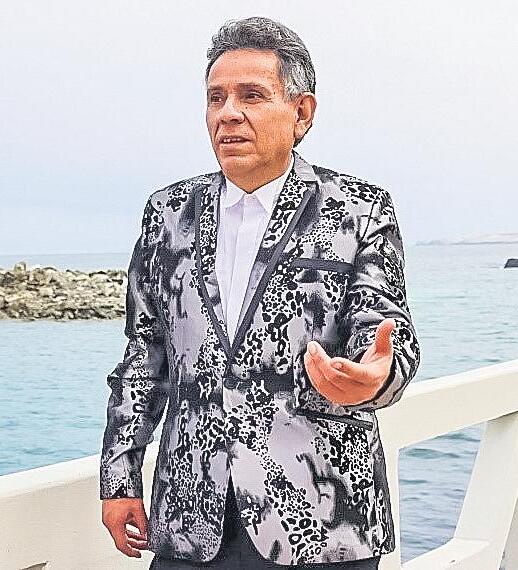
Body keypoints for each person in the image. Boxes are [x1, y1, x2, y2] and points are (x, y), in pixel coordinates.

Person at [99, 16, 420, 569]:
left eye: (251, 96)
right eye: (216, 98)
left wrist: (374, 376)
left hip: (321, 523)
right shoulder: (168, 214)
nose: (228, 113)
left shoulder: (359, 209)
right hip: (190, 522)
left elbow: (385, 328)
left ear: (302, 113)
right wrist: (119, 474)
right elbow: (144, 354)